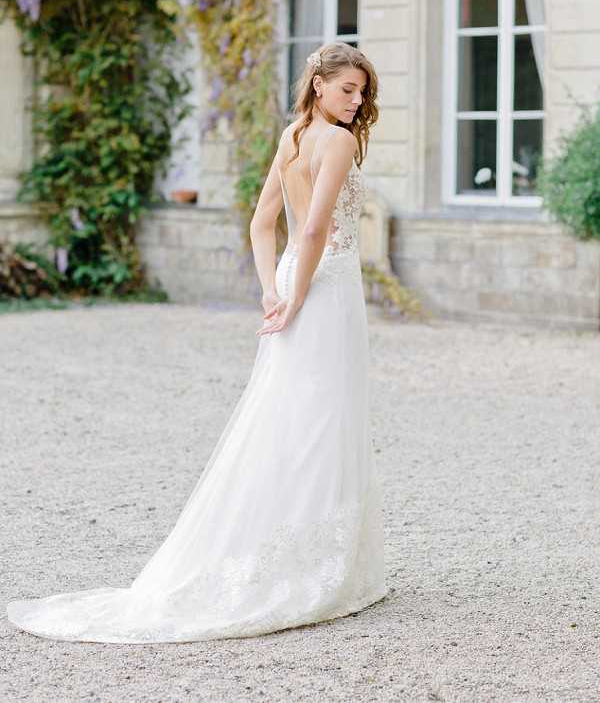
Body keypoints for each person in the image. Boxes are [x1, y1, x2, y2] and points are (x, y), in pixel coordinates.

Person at [6, 41, 387, 643]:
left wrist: (273, 288)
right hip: (324, 286)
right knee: (321, 416)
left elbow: (265, 226)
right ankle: (316, 563)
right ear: (318, 84)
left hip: (295, 278)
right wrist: (295, 295)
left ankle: (299, 547)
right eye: (348, 89)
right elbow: (312, 228)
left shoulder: (292, 137)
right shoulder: (335, 141)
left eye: (363, 92)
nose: (357, 100)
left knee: (290, 414)